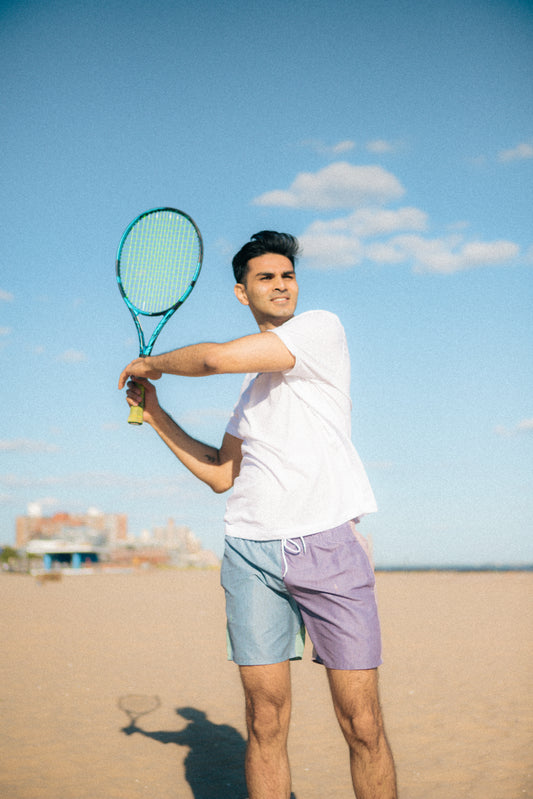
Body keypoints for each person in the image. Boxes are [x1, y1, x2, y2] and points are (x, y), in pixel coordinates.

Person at [118, 231, 398, 799]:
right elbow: (221, 473)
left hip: (326, 548)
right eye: (265, 277)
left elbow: (214, 358)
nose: (281, 285)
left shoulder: (320, 329)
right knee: (264, 721)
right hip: (249, 552)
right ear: (242, 293)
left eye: (287, 275)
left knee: (362, 723)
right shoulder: (251, 390)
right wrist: (155, 412)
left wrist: (152, 363)